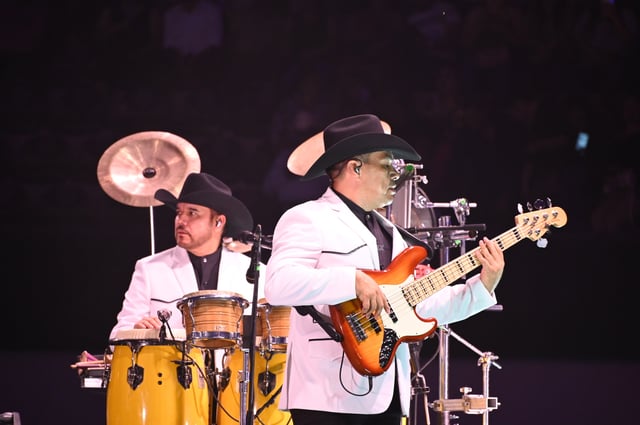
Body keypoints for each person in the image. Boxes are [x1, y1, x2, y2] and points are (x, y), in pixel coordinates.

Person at [264, 114, 505, 425]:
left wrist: (483, 285)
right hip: (326, 395)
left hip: (387, 394)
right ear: (355, 167)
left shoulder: (394, 235)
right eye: (387, 163)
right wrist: (352, 281)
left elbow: (421, 308)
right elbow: (279, 284)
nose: (397, 174)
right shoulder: (308, 218)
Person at [109, 171, 265, 342]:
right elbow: (118, 334)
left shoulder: (252, 271)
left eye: (192, 213)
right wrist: (137, 331)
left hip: (234, 368)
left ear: (219, 222)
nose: (181, 220)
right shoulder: (149, 268)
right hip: (170, 366)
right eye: (179, 212)